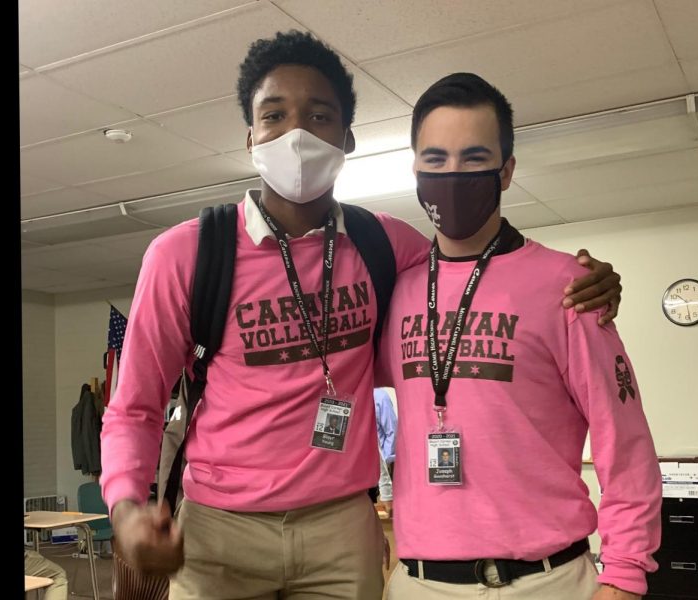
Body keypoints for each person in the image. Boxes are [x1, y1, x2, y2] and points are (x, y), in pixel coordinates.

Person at [101, 30, 624, 599]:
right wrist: (126, 507)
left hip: (342, 527)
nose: (296, 132)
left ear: (347, 137)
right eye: (275, 116)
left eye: (319, 116)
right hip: (220, 530)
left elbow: (479, 272)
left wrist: (585, 278)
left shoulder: (385, 244)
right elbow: (134, 408)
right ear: (251, 137)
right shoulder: (189, 254)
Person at [378, 73, 662, 600]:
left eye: (474, 157)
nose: (453, 173)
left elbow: (623, 441)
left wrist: (624, 574)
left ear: (506, 171)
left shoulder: (568, 285)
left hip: (548, 580)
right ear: (415, 168)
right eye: (435, 159)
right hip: (419, 584)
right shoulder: (397, 287)